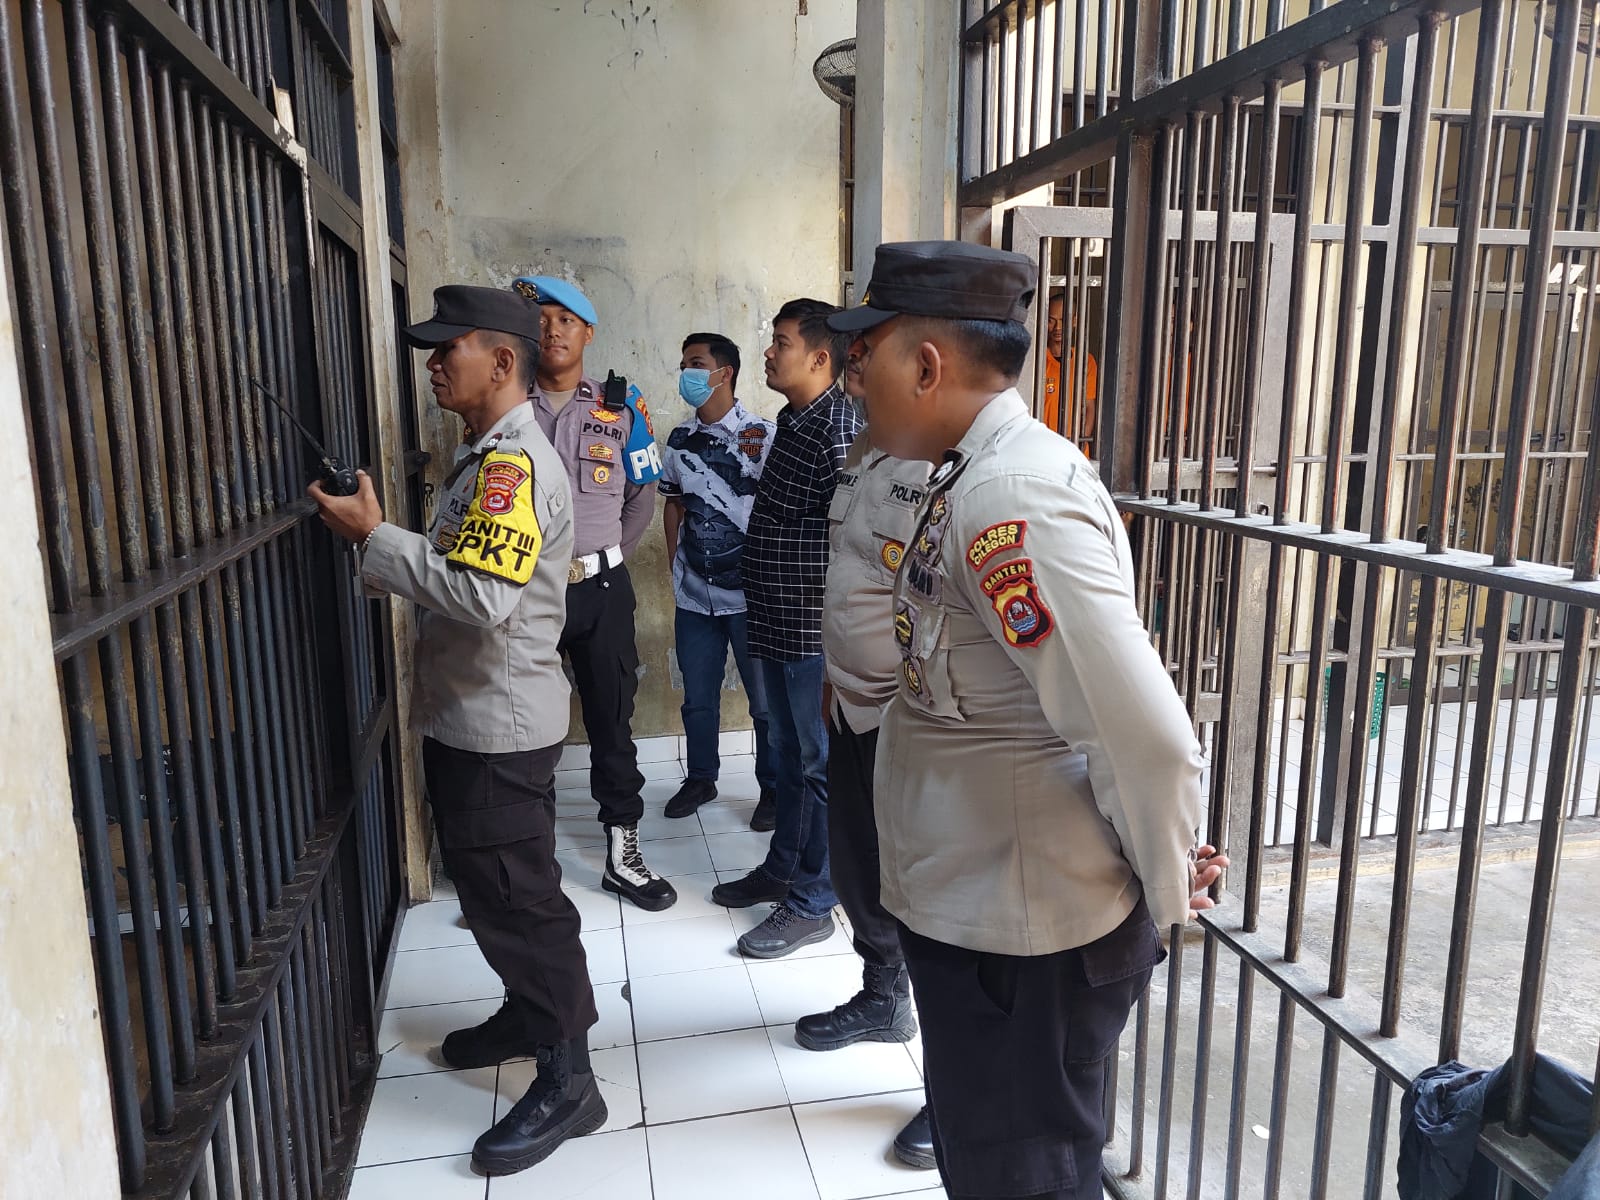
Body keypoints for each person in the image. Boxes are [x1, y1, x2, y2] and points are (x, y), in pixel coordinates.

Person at [830, 241, 1226, 1199]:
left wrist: (1165, 890)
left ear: (927, 365)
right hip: (984, 910)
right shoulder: (968, 473)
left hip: (1021, 935)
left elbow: (1144, 738)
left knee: (1025, 1177)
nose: (854, 378)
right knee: (994, 1164)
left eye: (867, 353)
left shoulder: (1010, 497)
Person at [309, 285, 605, 1176]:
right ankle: (526, 1011)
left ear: (502, 361)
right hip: (472, 717)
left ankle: (571, 1080)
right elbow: (458, 567)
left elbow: (480, 595)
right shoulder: (481, 457)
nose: (434, 366)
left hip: (498, 727)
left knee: (522, 900)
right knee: (490, 892)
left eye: (450, 349)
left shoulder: (512, 467)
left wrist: (374, 536)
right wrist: (380, 540)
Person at [800, 347, 936, 1168]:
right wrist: (833, 671)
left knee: (931, 903)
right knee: (858, 871)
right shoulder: (866, 449)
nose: (855, 373)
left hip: (910, 717)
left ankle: (955, 1086)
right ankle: (884, 997)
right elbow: (850, 573)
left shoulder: (953, 468)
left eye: (867, 356)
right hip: (851, 702)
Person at [512, 275, 675, 912]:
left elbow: (642, 496)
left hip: (603, 589)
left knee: (612, 720)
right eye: (541, 319)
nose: (552, 330)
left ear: (588, 333)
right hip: (524, 591)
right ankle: (525, 869)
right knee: (523, 729)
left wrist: (603, 558)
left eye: (566, 320)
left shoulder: (620, 405)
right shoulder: (506, 401)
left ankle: (623, 855)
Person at [711, 298, 861, 960]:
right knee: (788, 754)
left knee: (817, 763)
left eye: (781, 343)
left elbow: (850, 538)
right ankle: (783, 868)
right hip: (774, 615)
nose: (769, 353)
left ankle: (815, 900)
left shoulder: (839, 428)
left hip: (810, 626)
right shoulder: (795, 419)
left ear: (820, 358)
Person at [658, 332, 778, 828]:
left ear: (723, 373)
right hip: (694, 597)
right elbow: (673, 503)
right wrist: (675, 560)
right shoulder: (679, 440)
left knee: (765, 704)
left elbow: (777, 511)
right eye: (684, 363)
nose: (685, 372)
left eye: (695, 363)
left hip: (752, 598)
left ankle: (772, 789)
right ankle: (701, 778)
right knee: (698, 699)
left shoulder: (763, 436)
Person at [1041, 290, 1097, 456]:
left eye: (1063, 320)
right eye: (1051, 321)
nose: (1057, 327)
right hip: (1042, 448)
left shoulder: (1085, 361)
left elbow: (1089, 407)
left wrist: (1081, 442)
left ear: (1074, 321)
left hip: (1075, 449)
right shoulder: (1038, 360)